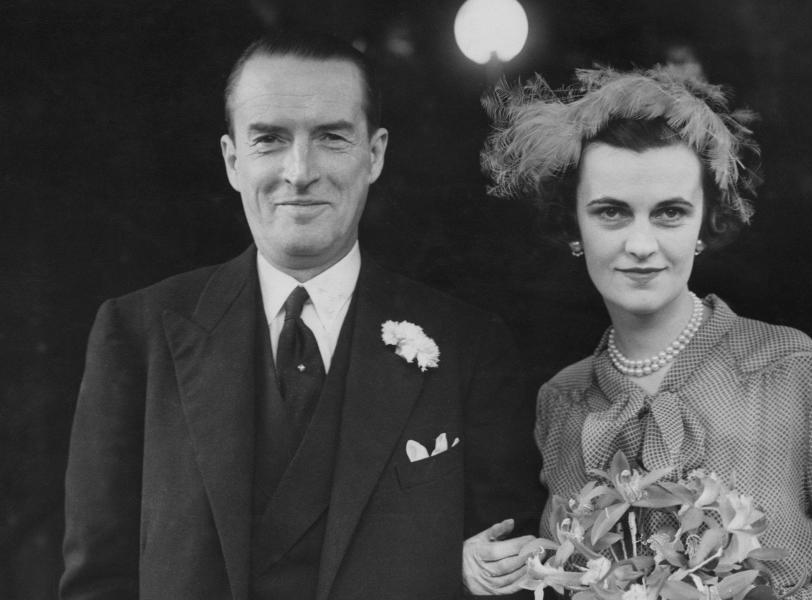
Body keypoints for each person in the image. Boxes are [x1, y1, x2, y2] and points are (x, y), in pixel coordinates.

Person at [61, 31, 542, 600]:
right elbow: (98, 582)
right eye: (269, 139)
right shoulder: (136, 336)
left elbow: (510, 569)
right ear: (233, 159)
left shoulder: (468, 346)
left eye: (331, 137)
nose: (299, 171)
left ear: (376, 154)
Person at [479, 66, 812, 598]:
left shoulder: (791, 372)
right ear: (574, 227)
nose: (641, 245)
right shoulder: (562, 400)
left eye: (669, 213)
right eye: (611, 213)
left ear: (704, 226)